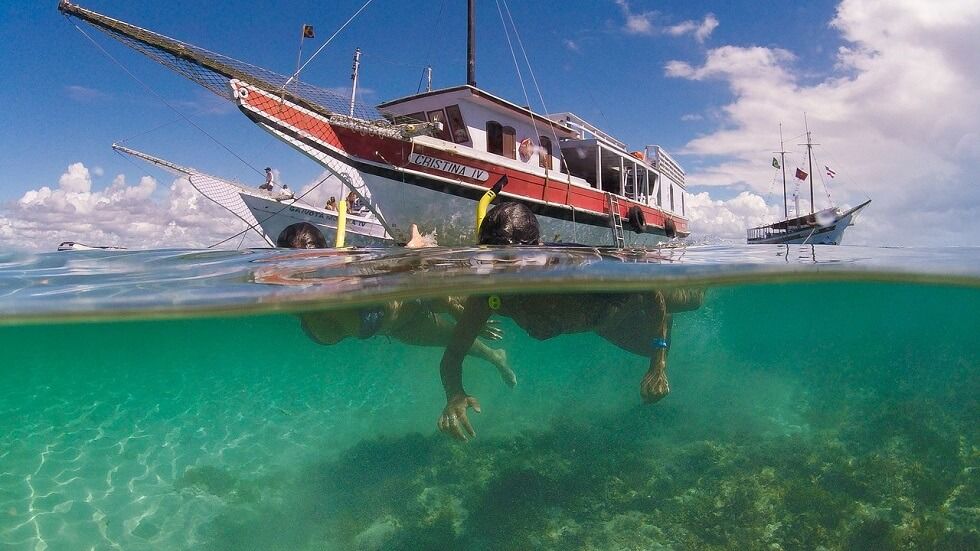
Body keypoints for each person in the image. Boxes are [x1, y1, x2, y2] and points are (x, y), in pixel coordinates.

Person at [436, 202, 703, 441]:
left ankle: (682, 264)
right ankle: (661, 334)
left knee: (692, 301)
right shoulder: (489, 294)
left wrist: (659, 365)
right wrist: (455, 394)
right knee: (650, 347)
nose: (500, 272)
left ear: (538, 250)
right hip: (604, 324)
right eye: (491, 260)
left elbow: (650, 288)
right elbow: (453, 356)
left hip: (628, 302)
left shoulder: (576, 269)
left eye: (510, 260)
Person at [275, 222, 516, 388]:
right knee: (459, 342)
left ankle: (497, 356)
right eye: (290, 267)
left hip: (414, 308)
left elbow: (414, 273)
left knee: (459, 331)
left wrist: (464, 316)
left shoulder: (349, 277)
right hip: (398, 328)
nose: (299, 278)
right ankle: (498, 358)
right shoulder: (288, 294)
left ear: (325, 258)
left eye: (304, 268)